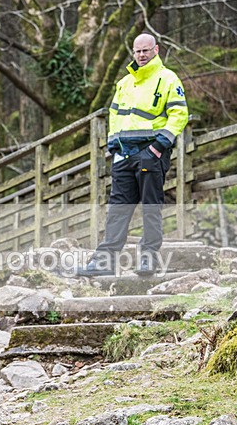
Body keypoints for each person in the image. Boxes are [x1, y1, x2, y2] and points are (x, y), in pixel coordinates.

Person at [77, 33, 188, 277]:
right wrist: (112, 146)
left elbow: (180, 115)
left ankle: (148, 259)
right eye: (137, 51)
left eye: (146, 50)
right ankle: (104, 262)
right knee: (117, 209)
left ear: (156, 50)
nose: (141, 55)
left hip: (151, 152)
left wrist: (158, 146)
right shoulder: (124, 83)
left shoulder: (168, 79)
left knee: (150, 207)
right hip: (123, 156)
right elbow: (114, 116)